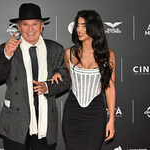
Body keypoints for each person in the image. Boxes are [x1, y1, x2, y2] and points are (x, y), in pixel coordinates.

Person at [0, 3, 70, 150]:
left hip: (44, 122)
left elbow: (66, 80)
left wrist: (48, 86)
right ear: (19, 28)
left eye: (35, 24)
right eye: (25, 25)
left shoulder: (55, 49)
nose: (30, 29)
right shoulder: (7, 47)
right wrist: (6, 55)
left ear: (42, 26)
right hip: (15, 119)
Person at [50, 10, 116, 150]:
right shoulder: (69, 53)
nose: (79, 29)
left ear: (94, 27)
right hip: (72, 113)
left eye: (84, 26)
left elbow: (110, 88)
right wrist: (57, 73)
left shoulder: (108, 56)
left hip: (96, 114)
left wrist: (111, 120)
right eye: (78, 25)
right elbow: (64, 75)